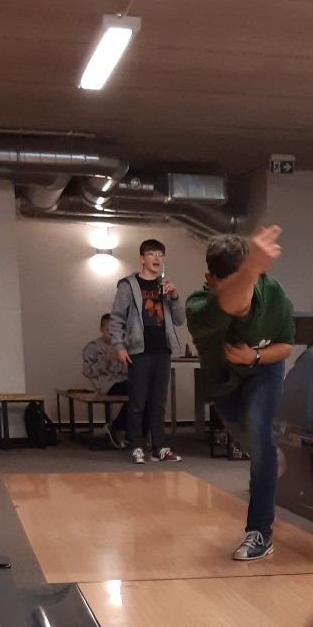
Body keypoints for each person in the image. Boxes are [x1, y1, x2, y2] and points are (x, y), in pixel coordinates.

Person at [186, 226, 295, 561]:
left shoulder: (273, 294)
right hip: (223, 383)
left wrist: (255, 356)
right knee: (254, 444)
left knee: (261, 442)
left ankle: (259, 532)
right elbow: (233, 300)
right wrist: (250, 270)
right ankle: (269, 456)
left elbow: (286, 347)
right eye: (232, 282)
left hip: (263, 371)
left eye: (250, 279)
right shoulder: (199, 307)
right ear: (210, 280)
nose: (244, 296)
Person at [107, 237, 186, 464]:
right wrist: (120, 346)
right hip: (138, 351)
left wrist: (174, 296)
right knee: (138, 402)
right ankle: (135, 446)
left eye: (160, 255)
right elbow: (116, 318)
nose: (156, 258)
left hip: (163, 350)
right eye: (151, 254)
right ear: (142, 259)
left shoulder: (165, 286)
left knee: (159, 403)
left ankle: (159, 448)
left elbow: (179, 320)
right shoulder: (128, 285)